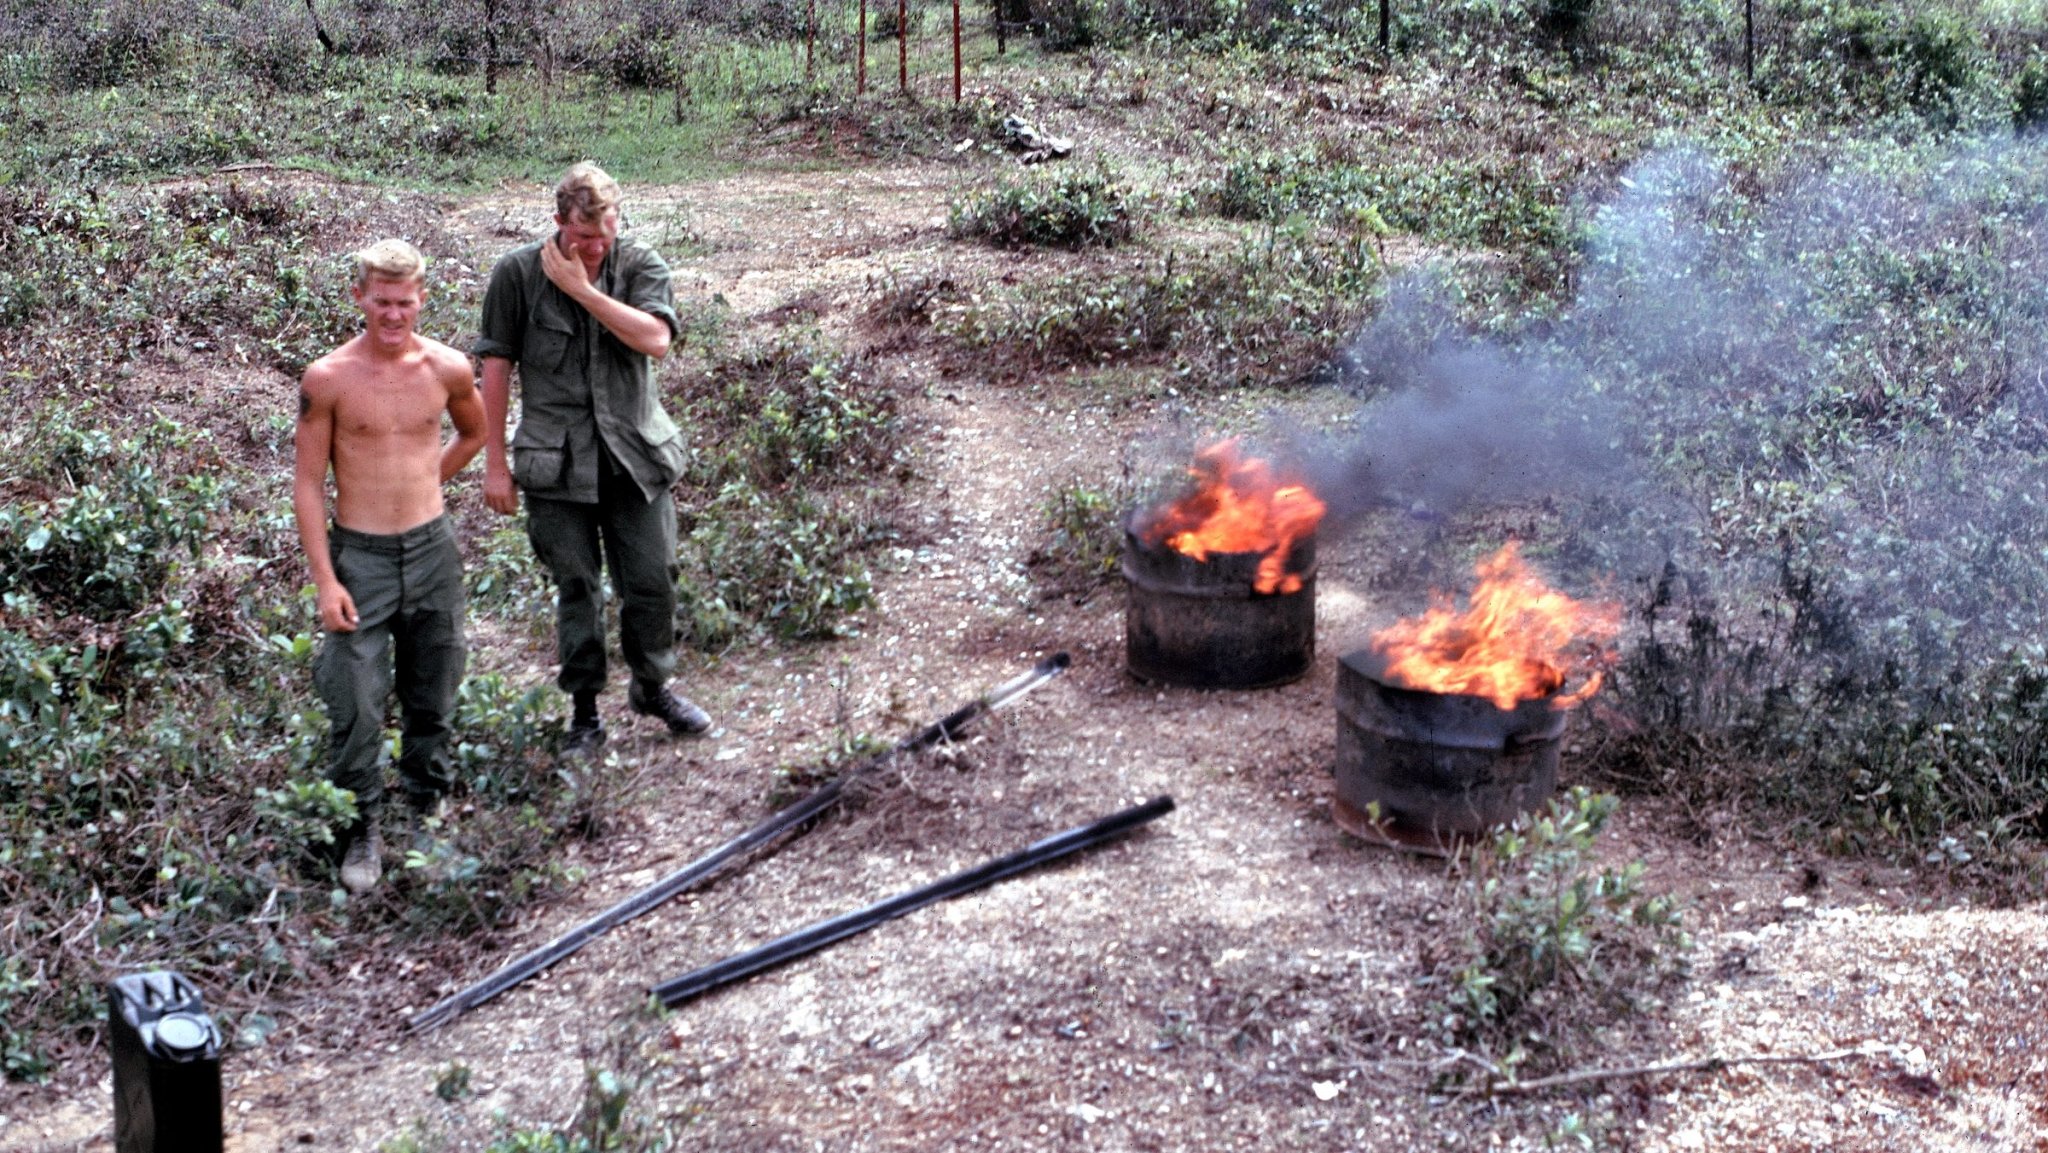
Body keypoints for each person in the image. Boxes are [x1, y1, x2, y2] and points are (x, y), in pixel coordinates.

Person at [476, 162, 711, 758]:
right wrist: (495, 464)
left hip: (635, 455)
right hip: (556, 463)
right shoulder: (517, 275)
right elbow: (496, 368)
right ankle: (584, 712)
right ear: (559, 224)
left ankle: (653, 687)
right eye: (582, 239)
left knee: (653, 577)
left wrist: (583, 289)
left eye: (604, 235)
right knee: (577, 586)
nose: (594, 247)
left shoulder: (639, 265)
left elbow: (656, 339)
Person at [293, 239, 486, 894]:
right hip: (362, 557)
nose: (394, 314)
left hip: (433, 550)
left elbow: (477, 431)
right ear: (359, 298)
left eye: (405, 302)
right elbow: (308, 485)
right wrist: (326, 579)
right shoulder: (329, 379)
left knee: (434, 689)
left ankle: (426, 808)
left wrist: (427, 482)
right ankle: (361, 825)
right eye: (382, 302)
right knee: (357, 698)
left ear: (422, 298)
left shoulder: (450, 368)